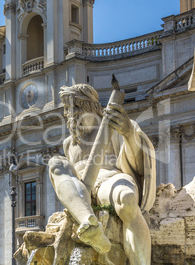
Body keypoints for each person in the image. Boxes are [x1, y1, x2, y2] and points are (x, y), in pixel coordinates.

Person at [48, 83, 156, 264]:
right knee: (55, 162)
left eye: (74, 108)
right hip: (80, 190)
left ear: (90, 107)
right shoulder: (69, 143)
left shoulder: (114, 127)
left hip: (111, 179)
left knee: (128, 199)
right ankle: (90, 226)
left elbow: (138, 164)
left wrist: (129, 133)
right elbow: (69, 180)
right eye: (67, 109)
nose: (69, 114)